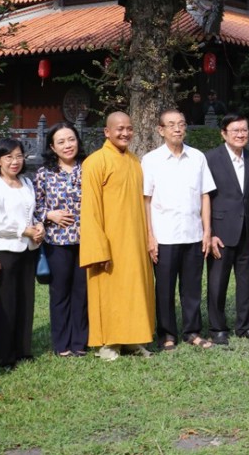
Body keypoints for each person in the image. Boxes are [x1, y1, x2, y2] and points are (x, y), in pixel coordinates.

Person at [80, 112, 156, 361]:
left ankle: (133, 339)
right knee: (110, 292)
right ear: (107, 132)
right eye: (120, 129)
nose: (125, 133)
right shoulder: (95, 162)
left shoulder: (135, 161)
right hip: (109, 242)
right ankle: (108, 343)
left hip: (134, 241)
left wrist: (147, 237)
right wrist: (98, 248)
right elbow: (89, 209)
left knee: (134, 290)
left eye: (129, 129)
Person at [142, 109, 216, 350]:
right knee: (164, 289)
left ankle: (192, 332)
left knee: (192, 287)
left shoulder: (197, 157)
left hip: (193, 234)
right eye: (171, 124)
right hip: (164, 236)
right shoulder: (151, 160)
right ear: (160, 130)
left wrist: (206, 231)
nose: (177, 129)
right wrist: (150, 237)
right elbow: (146, 200)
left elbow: (205, 195)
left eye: (181, 124)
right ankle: (167, 334)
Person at [205, 113, 249, 345]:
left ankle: (245, 326)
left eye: (244, 130)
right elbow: (204, 199)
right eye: (236, 130)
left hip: (248, 232)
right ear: (224, 133)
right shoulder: (210, 159)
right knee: (217, 282)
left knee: (245, 281)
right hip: (220, 232)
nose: (241, 134)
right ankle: (217, 328)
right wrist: (209, 233)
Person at [0, 138, 42, 368]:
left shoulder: (26, 181)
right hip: (5, 249)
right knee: (4, 303)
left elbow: (31, 212)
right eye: (9, 157)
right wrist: (24, 230)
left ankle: (22, 350)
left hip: (28, 249)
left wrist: (38, 226)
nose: (15, 161)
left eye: (18, 156)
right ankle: (2, 356)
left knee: (25, 299)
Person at [34, 123, 89, 357]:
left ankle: (80, 342)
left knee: (82, 292)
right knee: (60, 293)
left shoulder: (88, 169)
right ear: (52, 147)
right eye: (61, 142)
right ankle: (61, 344)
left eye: (71, 139)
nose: (68, 145)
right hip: (57, 242)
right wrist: (49, 215)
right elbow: (34, 207)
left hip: (87, 240)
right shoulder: (44, 174)